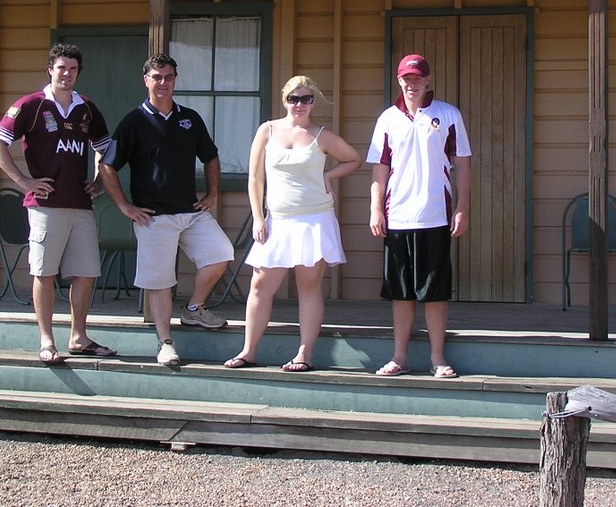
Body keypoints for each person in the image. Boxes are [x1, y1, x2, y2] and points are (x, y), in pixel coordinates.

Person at [98, 53, 234, 367]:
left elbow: (210, 157)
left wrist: (212, 193)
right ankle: (166, 343)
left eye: (168, 77)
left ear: (175, 80)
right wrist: (124, 206)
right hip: (153, 217)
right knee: (159, 281)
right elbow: (108, 166)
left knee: (221, 254)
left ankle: (194, 309)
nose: (163, 83)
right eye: (156, 77)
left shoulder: (190, 118)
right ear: (146, 80)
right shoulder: (134, 121)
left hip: (191, 211)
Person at [0, 43, 116, 366]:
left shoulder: (86, 107)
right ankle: (46, 340)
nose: (67, 74)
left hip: (81, 204)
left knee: (86, 272)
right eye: (61, 68)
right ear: (50, 69)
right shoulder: (30, 105)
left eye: (73, 69)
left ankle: (79, 336)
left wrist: (100, 181)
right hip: (45, 204)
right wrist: (23, 181)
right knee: (44, 272)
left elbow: (106, 148)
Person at [224, 76, 362, 372]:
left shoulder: (321, 135)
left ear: (314, 101)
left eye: (307, 98)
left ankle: (304, 353)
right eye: (294, 98)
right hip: (278, 220)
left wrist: (328, 176)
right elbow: (255, 178)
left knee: (308, 286)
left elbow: (353, 159)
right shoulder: (268, 130)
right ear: (285, 99)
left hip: (314, 220)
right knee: (260, 285)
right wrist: (258, 217)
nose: (300, 104)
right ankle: (248, 351)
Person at [367, 54, 472, 379]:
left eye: (417, 78)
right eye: (405, 78)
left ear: (428, 80)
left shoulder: (448, 115)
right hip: (396, 217)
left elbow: (463, 163)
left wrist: (462, 207)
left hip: (435, 216)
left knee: (435, 291)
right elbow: (379, 167)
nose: (411, 84)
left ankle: (438, 358)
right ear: (399, 81)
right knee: (401, 292)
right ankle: (399, 356)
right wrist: (374, 207)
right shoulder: (387, 119)